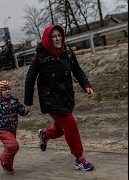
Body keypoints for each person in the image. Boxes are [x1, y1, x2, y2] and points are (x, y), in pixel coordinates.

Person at [24, 25, 94, 171]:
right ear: (48, 39)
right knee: (70, 124)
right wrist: (28, 102)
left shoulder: (67, 52)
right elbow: (30, 78)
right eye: (54, 36)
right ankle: (79, 159)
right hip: (49, 98)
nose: (57, 39)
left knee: (62, 128)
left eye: (59, 35)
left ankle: (45, 134)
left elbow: (77, 71)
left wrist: (86, 85)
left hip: (66, 95)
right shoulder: (40, 55)